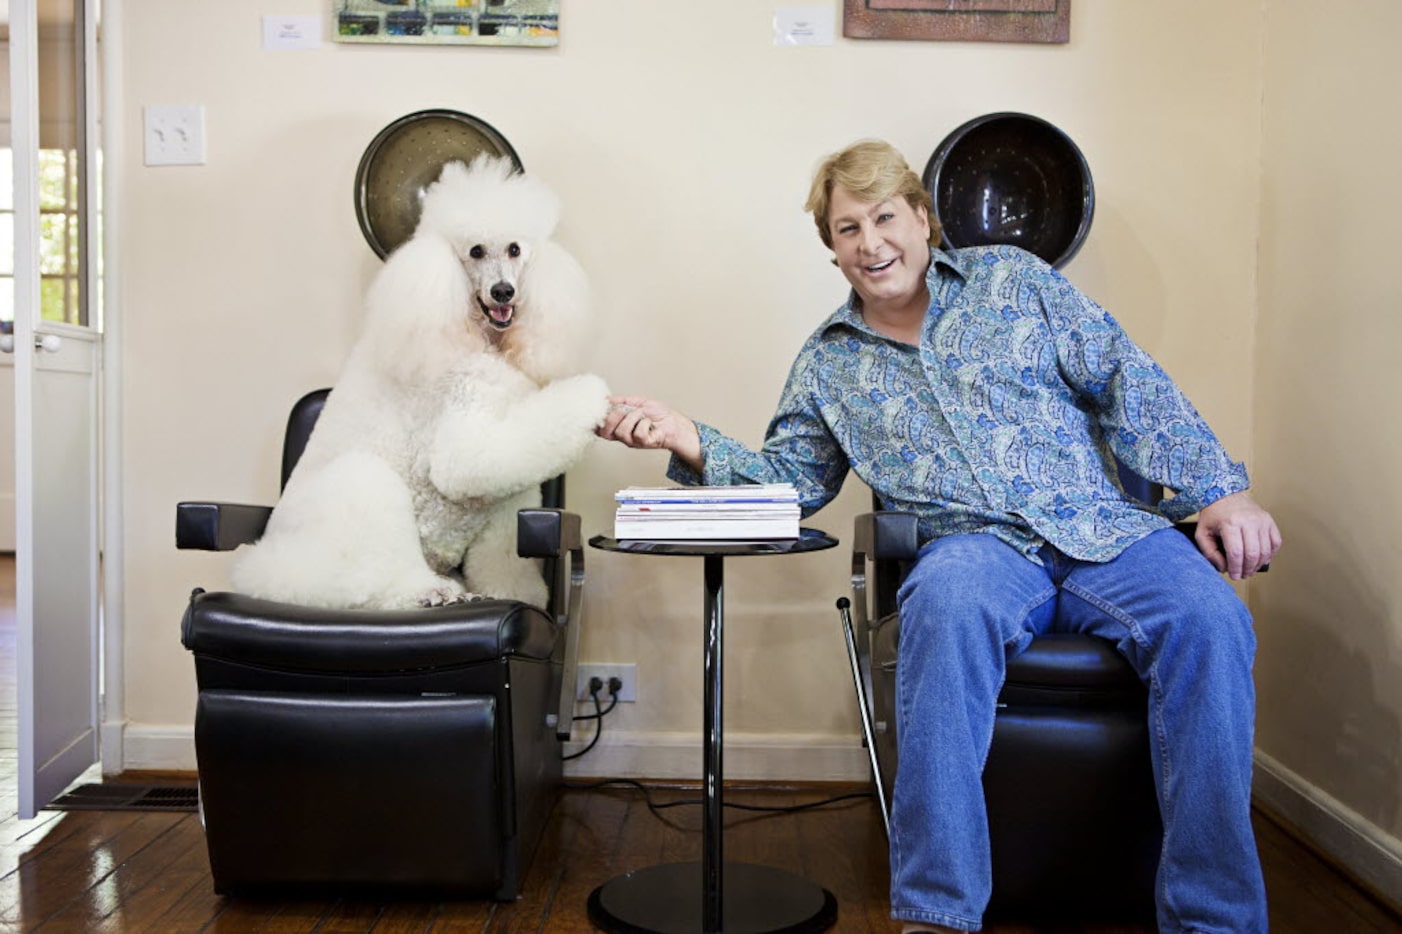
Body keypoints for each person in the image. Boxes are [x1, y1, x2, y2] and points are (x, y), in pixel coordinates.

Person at [596, 139, 1280, 933]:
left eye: (885, 216)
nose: (871, 242)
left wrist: (1222, 492)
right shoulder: (829, 363)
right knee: (945, 610)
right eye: (848, 229)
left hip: (1105, 528)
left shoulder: (1013, 281)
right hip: (975, 549)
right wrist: (690, 438)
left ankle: (1215, 921)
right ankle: (937, 915)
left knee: (1211, 620)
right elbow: (794, 484)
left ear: (922, 219)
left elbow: (1124, 375)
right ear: (832, 250)